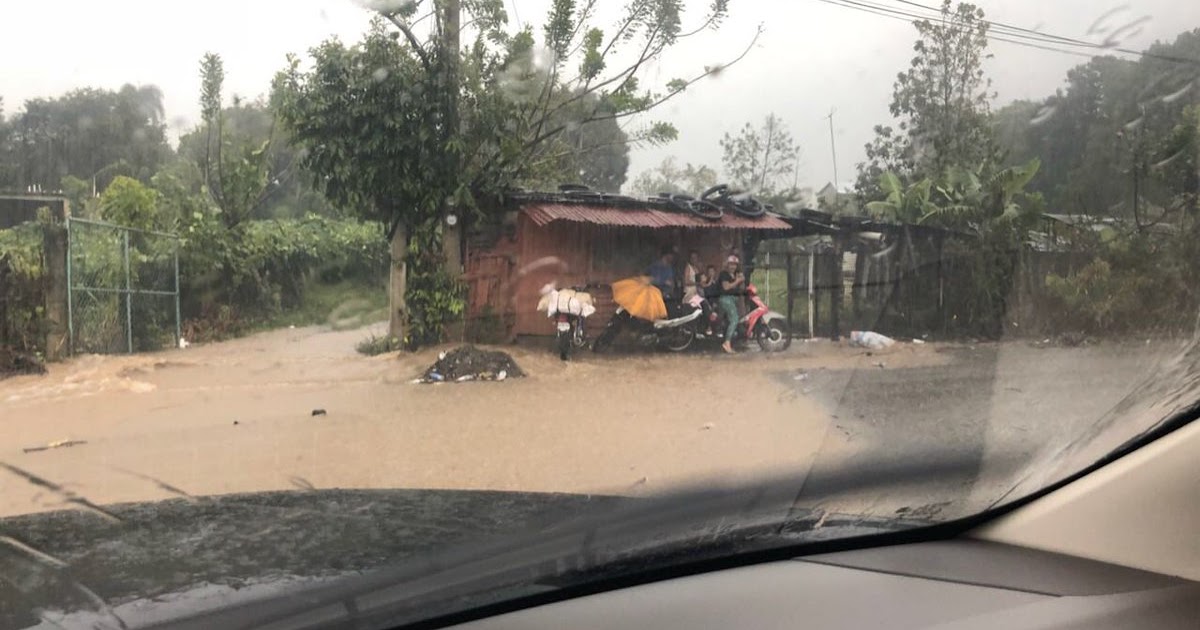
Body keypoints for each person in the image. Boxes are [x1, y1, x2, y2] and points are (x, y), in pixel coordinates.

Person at [717, 255, 745, 353]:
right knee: (734, 319)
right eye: (731, 264)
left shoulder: (736, 275)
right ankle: (727, 343)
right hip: (725, 299)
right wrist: (737, 281)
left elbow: (741, 286)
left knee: (732, 320)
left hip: (733, 300)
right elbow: (726, 287)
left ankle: (731, 340)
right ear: (727, 265)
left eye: (734, 265)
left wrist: (740, 280)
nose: (732, 267)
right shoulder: (724, 274)